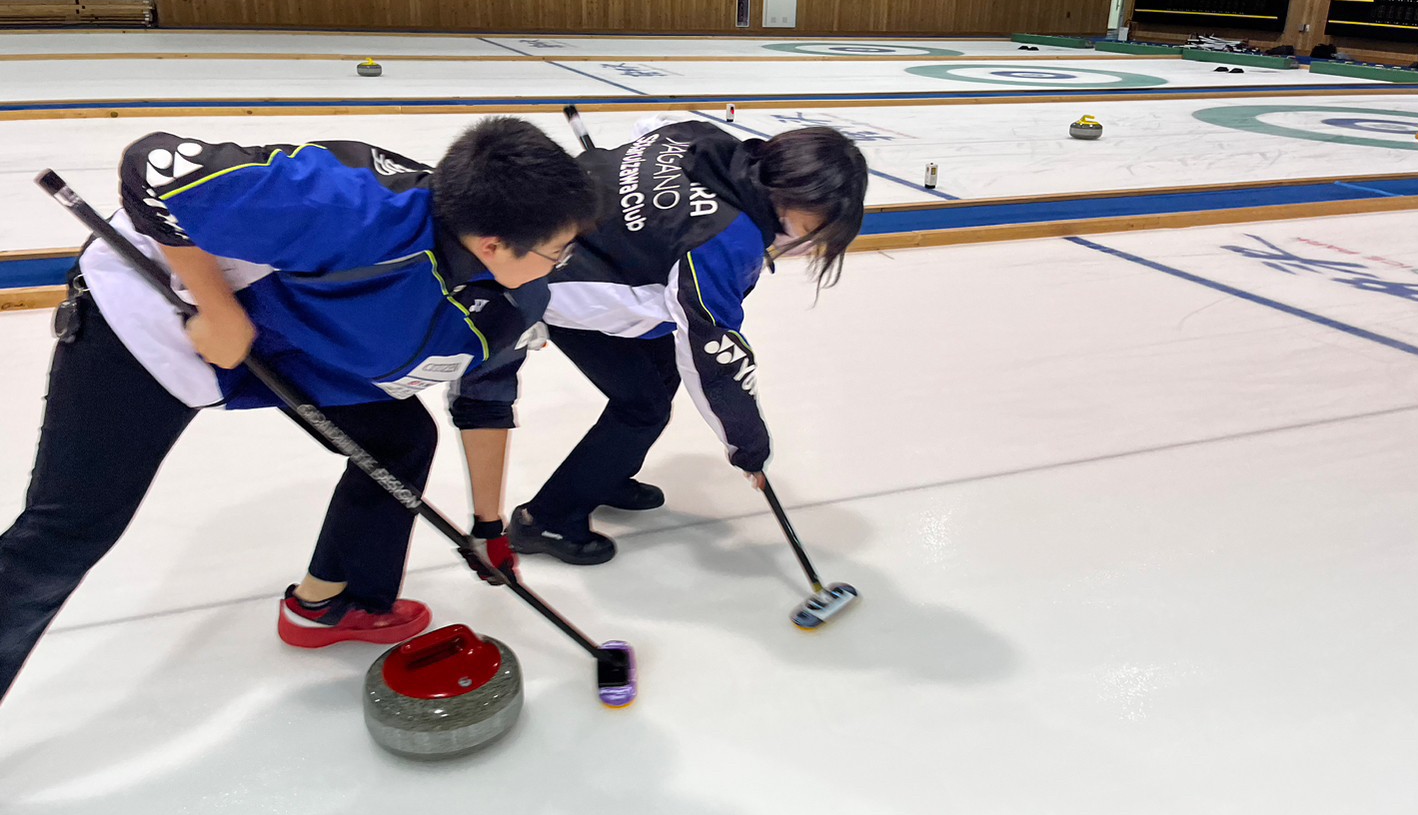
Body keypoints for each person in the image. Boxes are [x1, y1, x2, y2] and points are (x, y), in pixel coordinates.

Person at [0, 117, 595, 703]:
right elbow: (152, 167)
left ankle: (326, 605)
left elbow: (483, 399)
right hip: (147, 326)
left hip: (283, 340)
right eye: (558, 252)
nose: (562, 263)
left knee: (399, 437)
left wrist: (487, 527)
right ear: (493, 243)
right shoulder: (347, 204)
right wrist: (219, 307)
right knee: (69, 531)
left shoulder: (504, 298)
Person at [460, 117, 868, 566]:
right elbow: (715, 358)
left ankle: (606, 474)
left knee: (659, 375)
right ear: (793, 199)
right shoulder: (726, 242)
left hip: (587, 246)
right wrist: (748, 447)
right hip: (555, 283)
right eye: (818, 228)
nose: (813, 243)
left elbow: (649, 133)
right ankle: (546, 519)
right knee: (643, 405)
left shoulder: (705, 139)